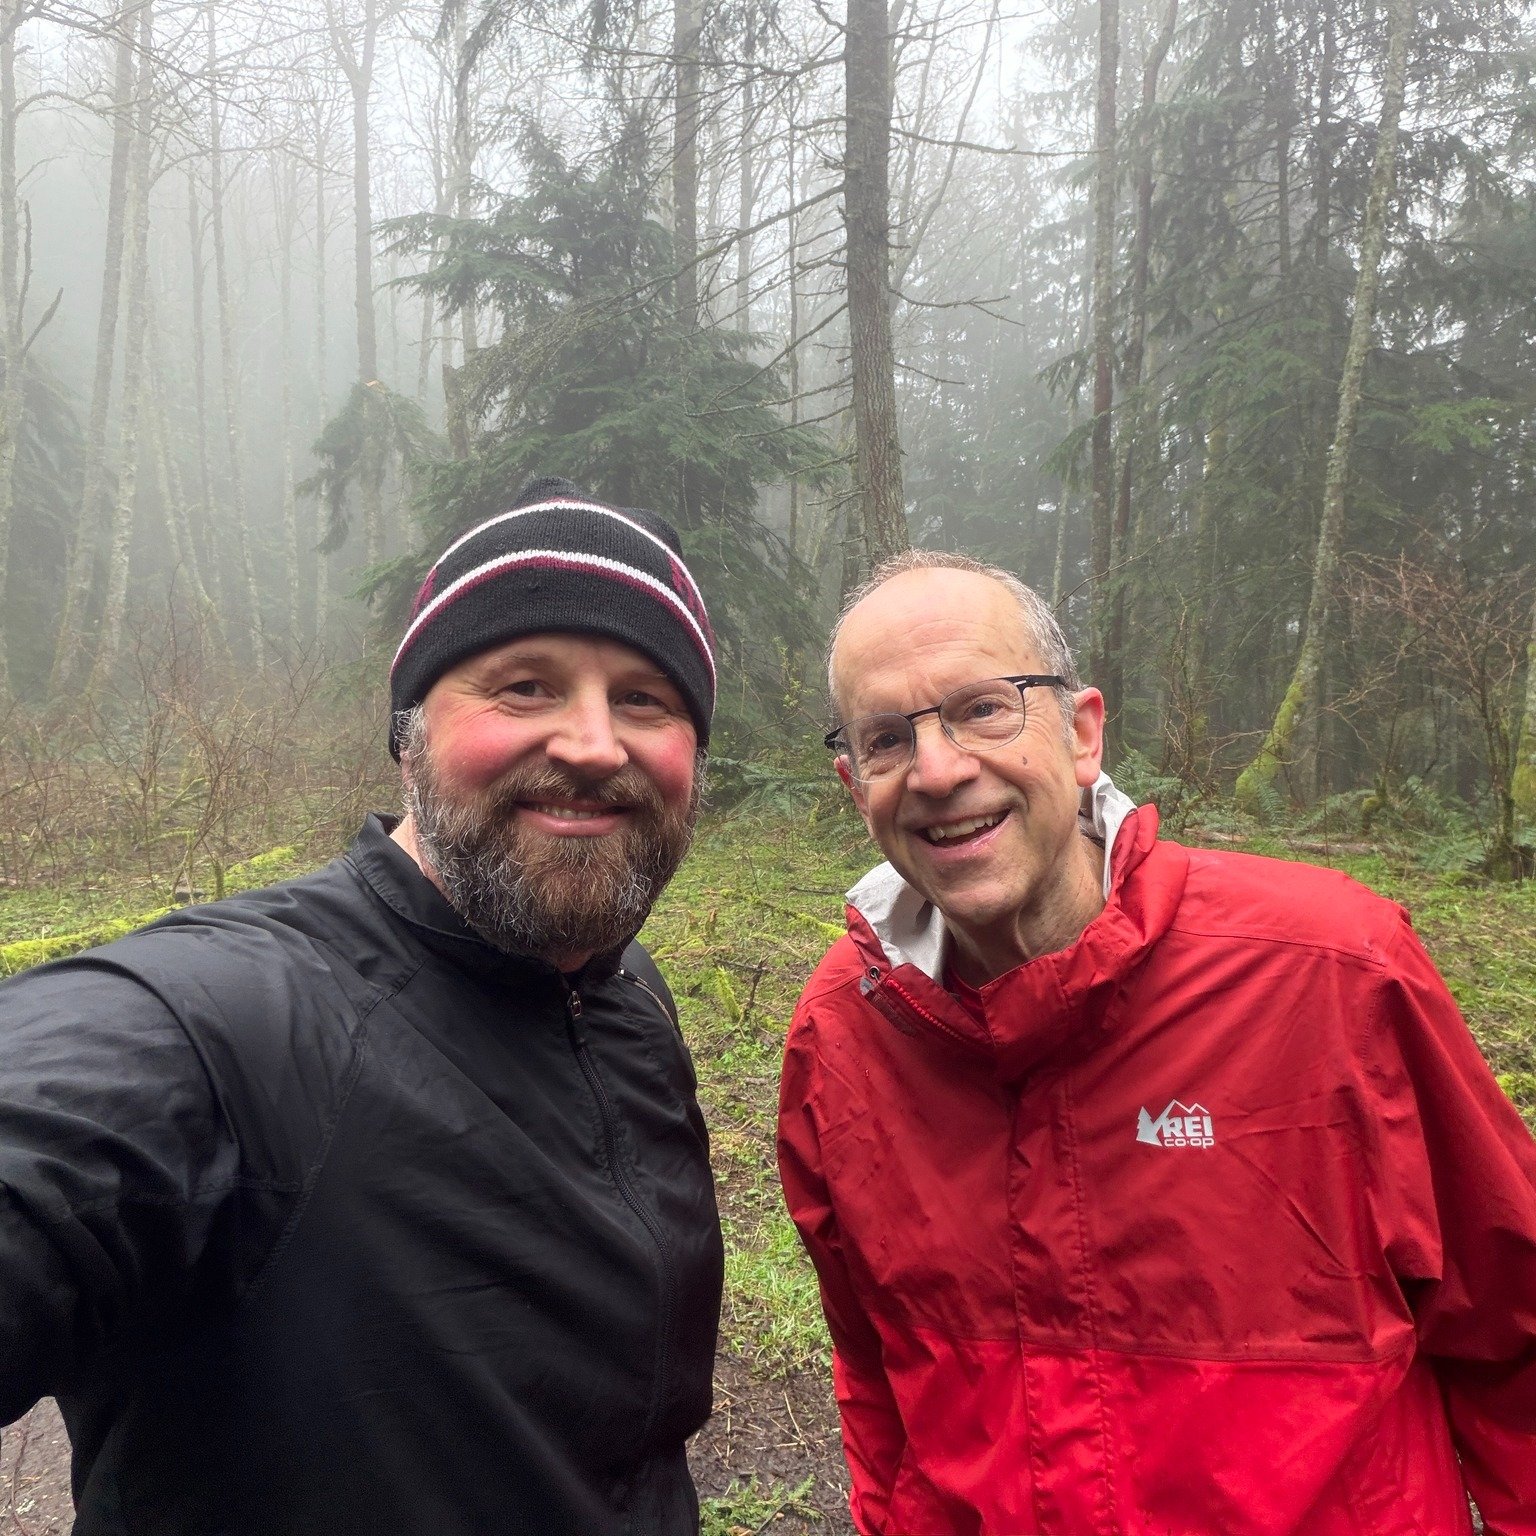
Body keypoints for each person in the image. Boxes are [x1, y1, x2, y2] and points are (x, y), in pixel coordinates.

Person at [0, 478, 724, 1535]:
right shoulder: (221, 1021)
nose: (592, 743)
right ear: (408, 734)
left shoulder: (629, 993)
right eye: (524, 685)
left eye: (646, 699)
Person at [778, 549, 1536, 1536]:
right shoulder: (844, 1029)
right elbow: (878, 1372)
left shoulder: (1332, 973)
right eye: (888, 738)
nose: (938, 770)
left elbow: (1517, 1328)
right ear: (855, 784)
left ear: (1082, 732)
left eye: (983, 709)